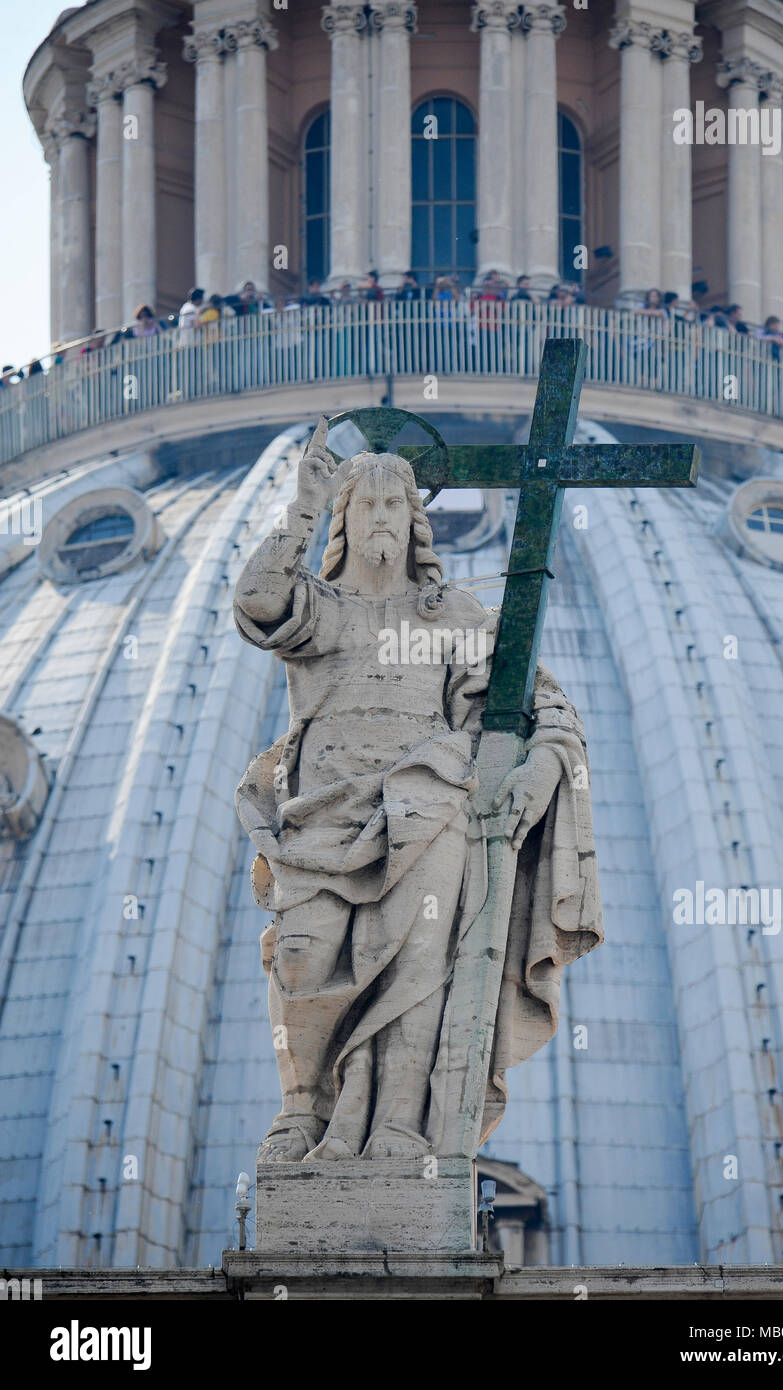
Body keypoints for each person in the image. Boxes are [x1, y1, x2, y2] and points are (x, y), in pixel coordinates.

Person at [233, 420, 603, 1160]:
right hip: (320, 811)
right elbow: (259, 602)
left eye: (392, 508)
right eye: (362, 507)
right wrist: (300, 509)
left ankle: (399, 1119)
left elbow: (537, 708)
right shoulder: (320, 610)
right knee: (302, 956)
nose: (378, 521)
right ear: (341, 521)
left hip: (426, 808)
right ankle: (305, 1110)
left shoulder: (454, 617)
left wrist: (539, 765)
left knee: (416, 968)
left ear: (415, 522)